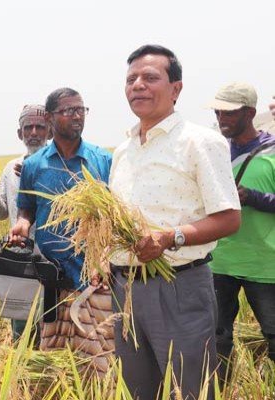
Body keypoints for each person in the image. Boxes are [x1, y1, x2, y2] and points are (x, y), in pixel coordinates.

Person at [109, 45, 241, 400]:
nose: (138, 85)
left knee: (189, 391)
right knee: (138, 391)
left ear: (176, 88)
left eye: (150, 77)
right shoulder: (123, 150)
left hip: (178, 287)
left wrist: (171, 237)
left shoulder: (200, 142)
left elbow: (229, 218)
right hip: (125, 289)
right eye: (131, 79)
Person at [8, 89, 114, 372]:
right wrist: (22, 224)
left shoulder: (101, 160)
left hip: (94, 277)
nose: (77, 115)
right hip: (50, 278)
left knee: (98, 363)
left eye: (81, 109)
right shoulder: (34, 165)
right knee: (53, 366)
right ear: (50, 118)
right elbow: (26, 208)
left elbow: (113, 218)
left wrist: (105, 258)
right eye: (68, 110)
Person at [207, 83, 275, 376]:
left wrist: (253, 197)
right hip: (219, 262)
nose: (222, 117)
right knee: (216, 339)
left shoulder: (271, 150)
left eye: (230, 113)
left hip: (265, 264)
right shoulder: (213, 151)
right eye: (218, 111)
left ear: (249, 112)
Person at [0, 104, 49, 344]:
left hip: (52, 259)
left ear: (50, 131)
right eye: (28, 127)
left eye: (40, 127)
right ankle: (23, 378)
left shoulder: (59, 164)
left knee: (52, 326)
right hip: (20, 258)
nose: (33, 132)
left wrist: (37, 176)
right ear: (20, 133)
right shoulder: (10, 169)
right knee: (22, 328)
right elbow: (2, 213)